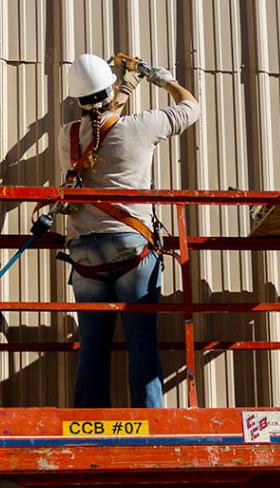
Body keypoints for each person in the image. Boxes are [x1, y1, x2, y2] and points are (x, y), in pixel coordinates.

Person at [57, 53, 200, 409]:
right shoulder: (142, 126)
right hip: (131, 248)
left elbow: (101, 128)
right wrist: (161, 79)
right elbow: (190, 108)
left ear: (77, 99)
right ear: (108, 90)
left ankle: (88, 431)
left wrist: (123, 88)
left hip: (85, 253)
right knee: (141, 345)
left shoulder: (68, 135)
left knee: (93, 346)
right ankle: (150, 431)